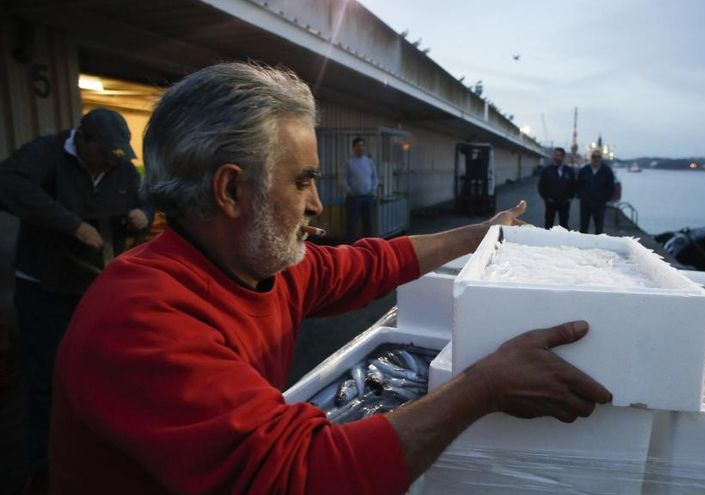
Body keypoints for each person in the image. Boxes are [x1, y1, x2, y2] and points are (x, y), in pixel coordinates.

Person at [49, 63, 611, 494]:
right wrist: (485, 386)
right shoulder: (142, 317)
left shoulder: (259, 265)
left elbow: (375, 262)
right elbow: (303, 477)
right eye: (303, 181)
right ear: (231, 190)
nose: (318, 204)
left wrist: (480, 233)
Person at [0, 108, 150, 485]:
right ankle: (45, 465)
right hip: (45, 286)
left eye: (116, 157)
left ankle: (96, 451)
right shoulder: (46, 154)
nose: (109, 164)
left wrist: (142, 212)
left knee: (103, 371)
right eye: (103, 154)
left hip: (95, 287)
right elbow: (7, 183)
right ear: (82, 140)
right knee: (48, 377)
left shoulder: (119, 167)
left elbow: (145, 195)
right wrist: (72, 225)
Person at [341, 136, 379, 239]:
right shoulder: (349, 162)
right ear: (353, 147)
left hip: (368, 197)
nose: (360, 148)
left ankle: (368, 247)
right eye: (358, 145)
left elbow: (375, 177)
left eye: (362, 145)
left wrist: (373, 189)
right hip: (354, 197)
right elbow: (343, 178)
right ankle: (350, 247)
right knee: (351, 224)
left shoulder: (369, 162)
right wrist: (349, 191)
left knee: (368, 224)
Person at [577, 149, 616, 234]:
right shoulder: (584, 170)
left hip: (599, 204)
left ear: (601, 158)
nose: (596, 159)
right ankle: (582, 244)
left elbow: (611, 187)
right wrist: (581, 196)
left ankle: (598, 245)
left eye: (598, 157)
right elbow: (578, 185)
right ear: (591, 158)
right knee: (583, 227)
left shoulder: (607, 171)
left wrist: (605, 198)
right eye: (594, 156)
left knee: (599, 227)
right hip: (585, 203)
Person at [538, 147, 576, 229]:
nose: (557, 157)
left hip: (564, 203)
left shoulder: (569, 171)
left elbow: (574, 185)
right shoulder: (547, 170)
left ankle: (564, 241)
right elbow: (541, 185)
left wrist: (570, 198)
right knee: (548, 223)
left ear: (563, 157)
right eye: (556, 155)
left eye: (559, 155)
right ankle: (547, 240)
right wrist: (546, 198)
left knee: (564, 224)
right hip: (550, 202)